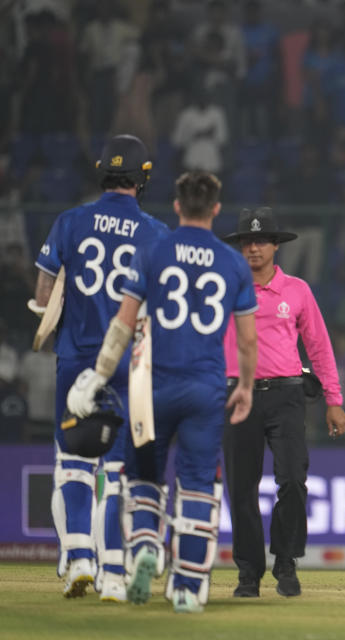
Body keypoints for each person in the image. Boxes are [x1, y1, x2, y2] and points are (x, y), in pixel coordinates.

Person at [66, 171, 258, 613]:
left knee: (143, 478)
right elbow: (248, 341)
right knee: (197, 487)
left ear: (176, 206)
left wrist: (98, 375)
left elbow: (124, 322)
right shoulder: (232, 263)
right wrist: (245, 385)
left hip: (150, 387)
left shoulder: (154, 250)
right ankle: (188, 587)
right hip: (205, 390)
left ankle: (147, 545)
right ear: (215, 208)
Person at [31, 134, 168, 601]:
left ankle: (78, 560)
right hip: (129, 364)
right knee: (118, 469)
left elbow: (44, 296)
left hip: (74, 358)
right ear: (142, 177)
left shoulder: (70, 222)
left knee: (72, 462)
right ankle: (113, 570)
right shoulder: (155, 232)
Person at [221, 207, 345, 598]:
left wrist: (334, 399)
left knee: (293, 479)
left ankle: (286, 560)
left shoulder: (297, 290)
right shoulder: (224, 289)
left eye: (261, 241)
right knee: (241, 487)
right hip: (235, 396)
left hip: (287, 395)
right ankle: (248, 572)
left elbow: (319, 347)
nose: (253, 248)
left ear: (276, 245)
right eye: (247, 241)